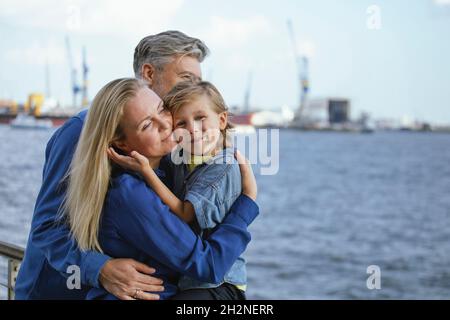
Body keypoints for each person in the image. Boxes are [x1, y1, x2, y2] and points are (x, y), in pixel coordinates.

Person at [15, 31, 221, 300]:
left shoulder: (170, 135)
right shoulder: (81, 132)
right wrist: (99, 269)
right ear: (148, 73)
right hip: (55, 292)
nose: (193, 91)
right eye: (186, 80)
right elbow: (47, 227)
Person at [61, 77, 258, 300]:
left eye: (162, 110)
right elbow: (207, 265)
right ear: (122, 144)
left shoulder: (168, 169)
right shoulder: (130, 193)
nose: (166, 125)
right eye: (147, 125)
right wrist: (248, 201)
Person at [108, 81, 248, 300]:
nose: (192, 129)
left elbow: (184, 213)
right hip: (192, 279)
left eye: (201, 118)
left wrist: (147, 171)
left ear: (221, 120)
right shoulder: (182, 160)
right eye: (181, 122)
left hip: (217, 282)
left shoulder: (222, 167)